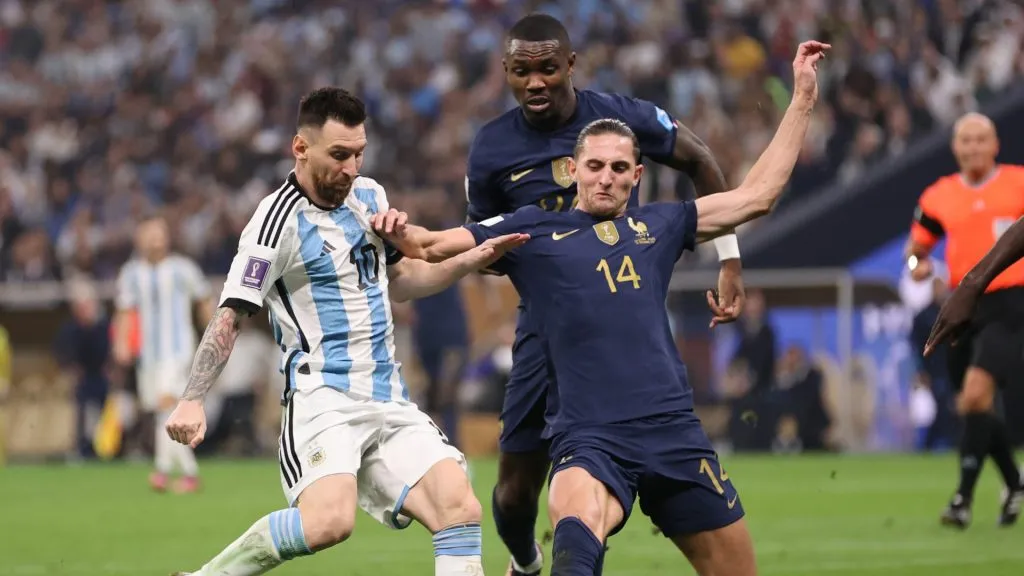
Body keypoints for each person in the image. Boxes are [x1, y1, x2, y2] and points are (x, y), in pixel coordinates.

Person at [374, 41, 827, 576]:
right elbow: (434, 244)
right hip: (591, 439)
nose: (606, 177)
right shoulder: (533, 229)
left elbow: (758, 196)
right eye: (594, 166)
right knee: (572, 521)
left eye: (618, 167)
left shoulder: (662, 223)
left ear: (637, 175)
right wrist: (392, 228)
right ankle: (528, 560)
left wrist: (800, 98)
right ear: (572, 170)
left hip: (675, 434)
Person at [164, 87, 526, 576]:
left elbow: (401, 282)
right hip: (321, 399)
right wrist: (192, 397)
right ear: (300, 148)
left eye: (358, 154)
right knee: (329, 522)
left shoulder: (371, 197)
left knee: (458, 506)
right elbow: (231, 312)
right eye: (338, 155)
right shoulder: (274, 222)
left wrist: (472, 259)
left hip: (387, 396)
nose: (351, 168)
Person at [466, 14, 746, 574]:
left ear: (571, 65)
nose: (536, 82)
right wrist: (547, 259)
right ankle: (525, 561)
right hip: (544, 329)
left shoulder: (623, 120)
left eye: (548, 68)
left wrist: (730, 260)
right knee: (513, 492)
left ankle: (609, 513)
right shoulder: (492, 147)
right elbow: (483, 247)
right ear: (506, 73)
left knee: (601, 473)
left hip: (624, 314)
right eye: (523, 71)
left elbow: (700, 159)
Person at [906, 112, 1024, 528]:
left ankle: (962, 499)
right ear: (955, 148)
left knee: (975, 396)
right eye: (965, 140)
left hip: (1013, 302)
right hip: (966, 305)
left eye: (980, 139)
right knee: (970, 404)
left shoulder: (1018, 183)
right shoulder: (939, 195)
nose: (973, 147)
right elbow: (917, 248)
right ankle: (1013, 480)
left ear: (996, 145)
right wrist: (918, 264)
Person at [113, 215, 214, 493]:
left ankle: (176, 473)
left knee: (165, 407)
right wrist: (122, 344)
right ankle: (169, 472)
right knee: (163, 413)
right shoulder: (130, 273)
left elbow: (205, 302)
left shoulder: (184, 269)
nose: (154, 238)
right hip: (148, 355)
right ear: (139, 238)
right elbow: (124, 312)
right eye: (148, 233)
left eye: (159, 232)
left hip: (178, 350)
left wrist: (216, 339)